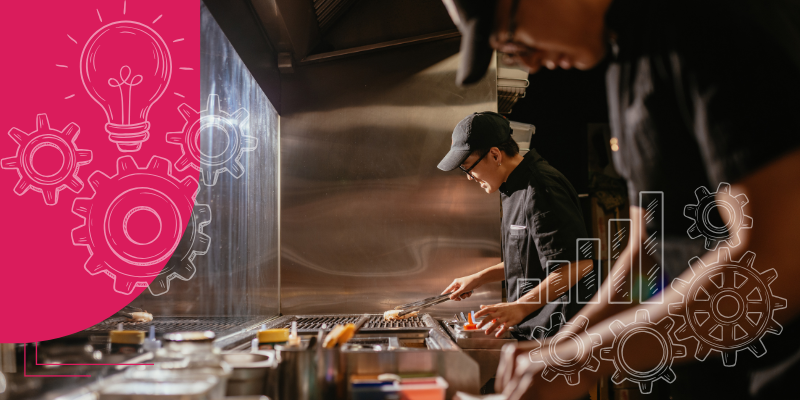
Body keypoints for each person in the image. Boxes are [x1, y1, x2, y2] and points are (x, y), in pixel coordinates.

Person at [443, 0, 800, 399]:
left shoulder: (711, 24)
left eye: (510, 37)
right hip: (700, 372)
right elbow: (645, 251)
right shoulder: (625, 61)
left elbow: (776, 263)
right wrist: (562, 348)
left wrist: (584, 358)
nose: (528, 60)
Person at [438, 111, 596, 340]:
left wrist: (520, 307)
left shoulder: (540, 187)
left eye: (468, 167)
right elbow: (529, 259)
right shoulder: (511, 188)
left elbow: (577, 265)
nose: (469, 177)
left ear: (494, 155)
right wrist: (478, 278)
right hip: (533, 332)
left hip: (559, 334)